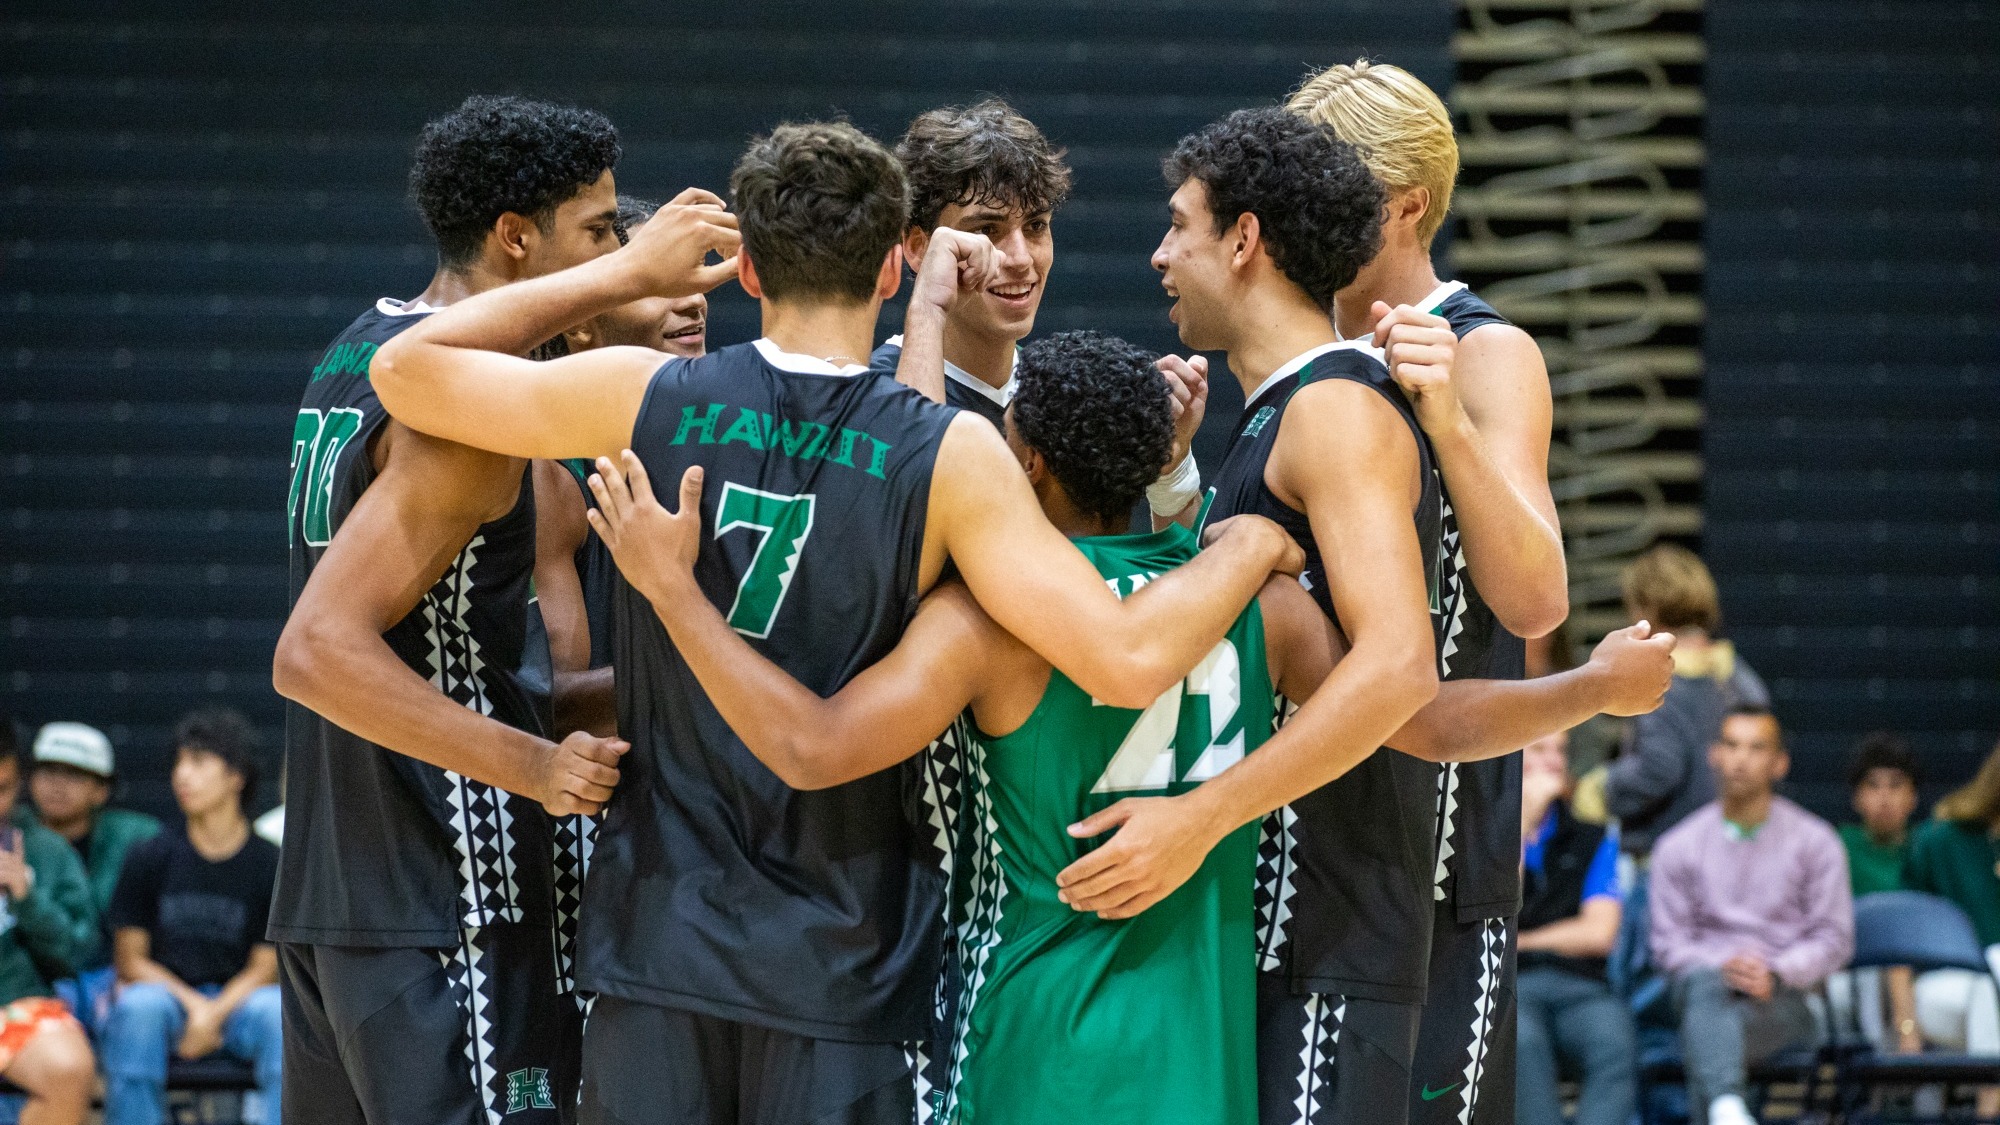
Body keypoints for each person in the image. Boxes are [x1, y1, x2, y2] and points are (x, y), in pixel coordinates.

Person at [369, 119, 1305, 1125]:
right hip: (843, 958)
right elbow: (1124, 659)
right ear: (894, 270)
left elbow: (405, 368)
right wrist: (1249, 542)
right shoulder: (952, 455)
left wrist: (623, 273)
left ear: (750, 271)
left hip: (659, 940)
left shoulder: (643, 395)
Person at [581, 330, 1672, 1123]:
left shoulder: (991, 621)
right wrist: (1588, 687)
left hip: (1030, 1029)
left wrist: (672, 594)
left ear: (1026, 463)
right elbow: (1423, 720)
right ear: (1154, 461)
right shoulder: (1257, 599)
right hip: (1200, 1046)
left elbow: (815, 745)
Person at [268, 95, 633, 1125]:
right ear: (516, 237)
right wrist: (537, 767)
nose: (618, 257)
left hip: (336, 892)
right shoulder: (461, 412)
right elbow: (314, 651)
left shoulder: (357, 347)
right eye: (599, 231)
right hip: (447, 888)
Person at [1287, 61, 1569, 1125]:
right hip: (1299, 828)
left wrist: (1445, 418)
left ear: (1406, 204)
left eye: (1333, 185)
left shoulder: (1486, 349)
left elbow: (1536, 600)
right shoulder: (1298, 353)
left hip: (1438, 842)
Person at [875, 98, 1211, 525]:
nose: (1020, 258)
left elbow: (1170, 563)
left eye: (1036, 226)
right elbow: (903, 538)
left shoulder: (1062, 397)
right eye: (986, 230)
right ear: (918, 248)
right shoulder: (870, 395)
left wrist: (1171, 469)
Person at [1648, 706, 1852, 1125]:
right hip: (1704, 986)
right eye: (1731, 745)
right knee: (1705, 995)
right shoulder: (1677, 846)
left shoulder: (1816, 841)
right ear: (1714, 755)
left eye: (1756, 748)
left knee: (1705, 1033)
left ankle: (1725, 1106)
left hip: (1784, 999)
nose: (1740, 759)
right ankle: (1729, 1107)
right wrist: (1723, 966)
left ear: (1780, 763)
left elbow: (1834, 937)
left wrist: (1775, 972)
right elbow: (1668, 944)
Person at [101, 708, 281, 1125]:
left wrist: (214, 1013)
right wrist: (196, 1006)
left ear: (236, 776)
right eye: (179, 763)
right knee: (138, 1009)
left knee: (278, 1013)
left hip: (240, 1003)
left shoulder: (269, 862)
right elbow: (130, 960)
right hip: (168, 1000)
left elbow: (266, 966)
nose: (182, 775)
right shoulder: (149, 854)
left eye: (198, 762)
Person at [1604, 545, 1769, 856]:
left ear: (1647, 608)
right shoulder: (1742, 679)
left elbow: (1657, 769)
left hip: (1665, 855)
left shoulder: (1661, 680)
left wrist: (1600, 789)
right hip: (1738, 849)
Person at [1514, 730, 1634, 1125]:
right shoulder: (1483, 835)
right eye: (1539, 749)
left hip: (1581, 987)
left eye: (1560, 751)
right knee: (1520, 1042)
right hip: (1513, 986)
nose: (1553, 761)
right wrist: (1521, 822)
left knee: (1614, 1040)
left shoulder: (1593, 837)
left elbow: (1598, 934)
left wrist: (1521, 940)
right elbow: (1496, 912)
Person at [0, 742, 99, 1125]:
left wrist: (27, 897)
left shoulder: (47, 850)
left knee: (69, 1069)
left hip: (16, 1002)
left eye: (3, 788)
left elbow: (78, 953)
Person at [1904, 738, 2000, 1107]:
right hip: (1946, 988)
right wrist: (1906, 1025)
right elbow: (1900, 943)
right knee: (1991, 980)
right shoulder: (1941, 840)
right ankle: (1989, 1111)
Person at [21, 723, 160, 969]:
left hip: (111, 970)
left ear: (101, 790)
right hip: (30, 973)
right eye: (48, 771)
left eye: (74, 775)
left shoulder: (133, 837)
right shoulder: (13, 833)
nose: (58, 785)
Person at [1827, 733, 1925, 1054]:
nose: (1884, 797)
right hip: (1855, 967)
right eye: (1873, 785)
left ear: (1913, 797)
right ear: (1856, 798)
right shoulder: (1836, 846)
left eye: (1895, 785)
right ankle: (1881, 1069)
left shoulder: (1927, 847)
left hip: (1922, 970)